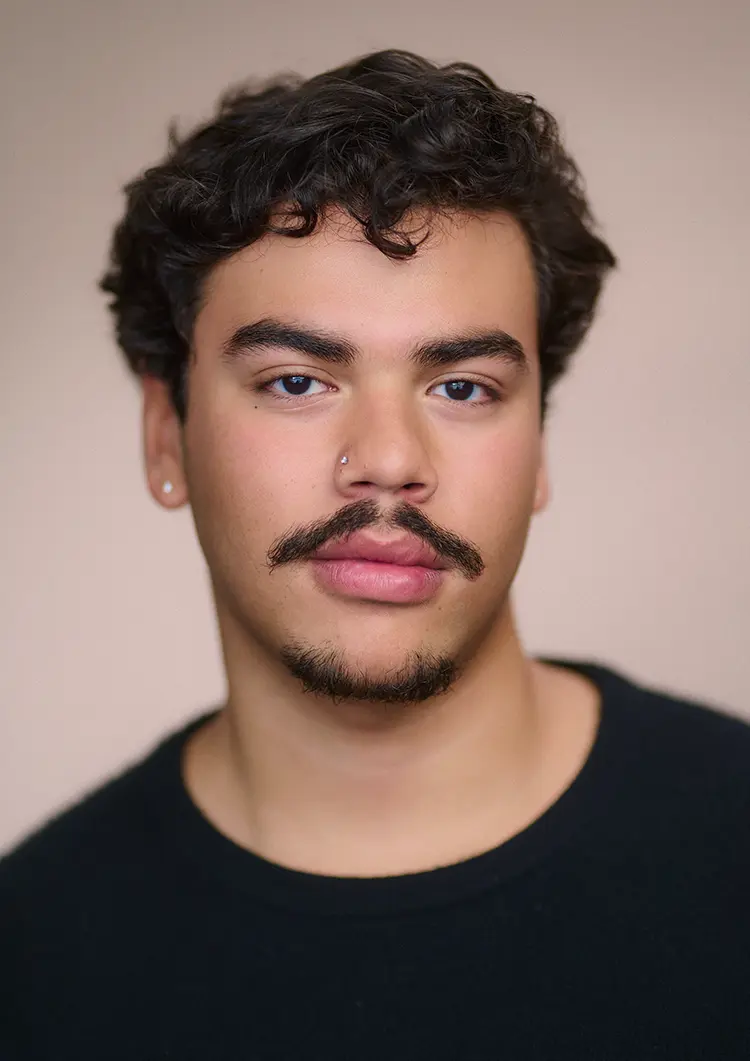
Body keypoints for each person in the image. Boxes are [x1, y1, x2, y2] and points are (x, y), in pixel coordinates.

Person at [1, 48, 748, 1061]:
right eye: (297, 380)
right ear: (165, 435)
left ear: (538, 446)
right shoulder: (34, 953)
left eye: (464, 387)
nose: (390, 462)